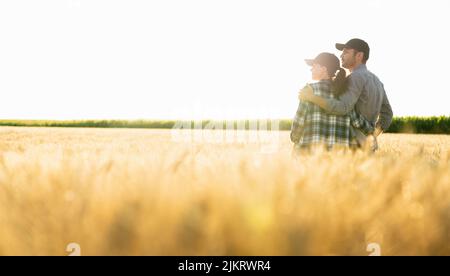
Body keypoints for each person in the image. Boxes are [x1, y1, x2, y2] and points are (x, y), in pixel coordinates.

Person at [299, 39, 393, 150]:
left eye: (346, 52)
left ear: (359, 55)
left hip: (352, 146)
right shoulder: (377, 81)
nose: (341, 55)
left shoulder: (354, 78)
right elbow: (388, 114)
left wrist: (312, 97)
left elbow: (342, 108)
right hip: (369, 147)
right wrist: (371, 135)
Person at [291, 52, 374, 152]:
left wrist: (295, 139)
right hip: (339, 158)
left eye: (314, 66)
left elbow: (298, 124)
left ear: (324, 69)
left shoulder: (309, 90)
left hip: (311, 156)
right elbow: (359, 123)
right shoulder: (345, 94)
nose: (311, 69)